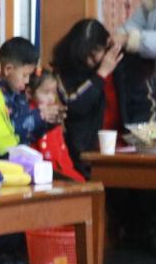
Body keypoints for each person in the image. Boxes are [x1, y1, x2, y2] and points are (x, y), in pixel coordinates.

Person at [50, 19, 123, 178]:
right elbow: (74, 105)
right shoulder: (65, 66)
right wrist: (101, 74)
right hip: (82, 150)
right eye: (85, 57)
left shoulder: (118, 60)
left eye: (94, 55)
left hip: (119, 145)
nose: (90, 62)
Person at [0, 37, 63, 145]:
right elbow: (7, 131)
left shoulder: (20, 96)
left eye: (29, 75)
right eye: (24, 75)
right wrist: (39, 115)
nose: (27, 81)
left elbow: (27, 136)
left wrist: (48, 122)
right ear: (8, 69)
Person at [27, 70, 84, 182]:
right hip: (44, 172)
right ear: (29, 93)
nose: (51, 98)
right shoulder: (30, 116)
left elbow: (62, 149)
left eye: (53, 93)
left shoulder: (54, 114)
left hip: (60, 168)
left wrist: (69, 168)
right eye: (46, 93)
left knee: (81, 182)